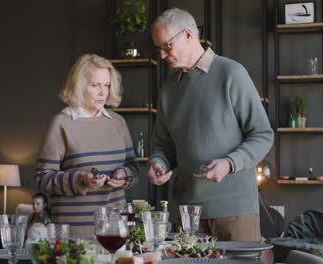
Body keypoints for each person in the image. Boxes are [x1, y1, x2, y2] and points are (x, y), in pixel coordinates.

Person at [147, 8, 274, 241]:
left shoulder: (231, 73)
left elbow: (263, 135)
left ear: (187, 35)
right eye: (159, 49)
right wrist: (158, 162)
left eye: (166, 46)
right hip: (187, 213)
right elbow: (163, 145)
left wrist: (229, 163)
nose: (162, 55)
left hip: (235, 211)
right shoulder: (168, 89)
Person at [35, 54, 139, 238]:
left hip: (115, 232)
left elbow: (133, 168)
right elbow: (42, 178)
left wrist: (124, 175)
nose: (103, 92)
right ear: (79, 85)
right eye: (95, 85)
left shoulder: (118, 122)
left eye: (106, 85)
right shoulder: (61, 123)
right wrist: (81, 180)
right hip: (73, 235)